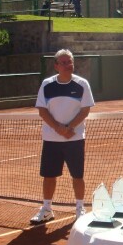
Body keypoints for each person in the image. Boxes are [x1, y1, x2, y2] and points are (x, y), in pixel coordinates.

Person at [31, 49, 95, 224]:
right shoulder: (47, 84)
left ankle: (80, 208)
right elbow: (42, 110)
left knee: (77, 175)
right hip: (51, 140)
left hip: (74, 139)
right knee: (49, 176)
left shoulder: (82, 84)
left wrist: (69, 128)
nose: (68, 65)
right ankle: (47, 208)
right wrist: (58, 128)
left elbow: (85, 110)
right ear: (56, 66)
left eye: (70, 62)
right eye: (64, 62)